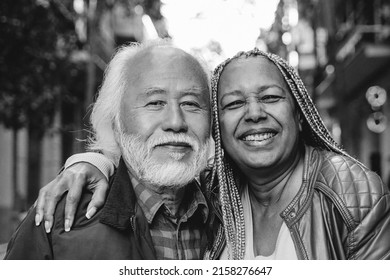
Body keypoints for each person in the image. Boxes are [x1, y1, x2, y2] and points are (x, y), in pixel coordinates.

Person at [32, 48, 390, 260]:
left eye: (270, 97)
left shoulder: (349, 190)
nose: (253, 114)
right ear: (219, 125)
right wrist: (93, 159)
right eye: (234, 103)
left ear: (299, 112)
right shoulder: (215, 191)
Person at [5, 40, 214, 260]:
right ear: (116, 122)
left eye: (191, 104)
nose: (176, 122)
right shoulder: (59, 218)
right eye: (155, 103)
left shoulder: (227, 214)